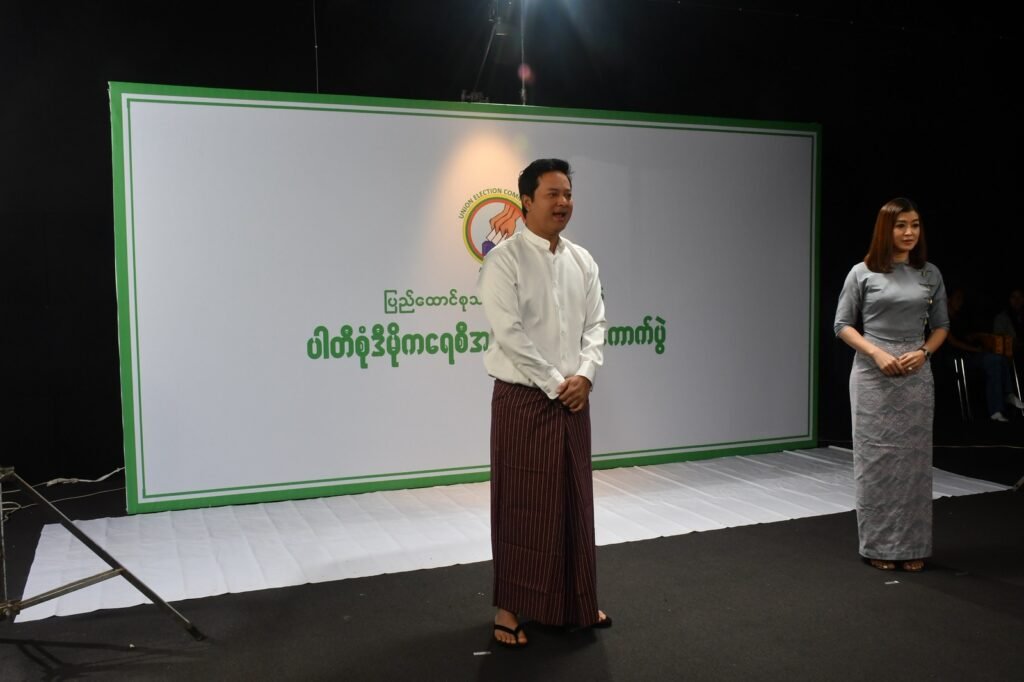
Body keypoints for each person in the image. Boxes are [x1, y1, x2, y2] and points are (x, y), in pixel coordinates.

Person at [477, 158, 610, 648]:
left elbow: (596, 324)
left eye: (568, 194)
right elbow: (510, 334)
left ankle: (575, 603)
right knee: (522, 506)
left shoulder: (583, 260)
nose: (563, 203)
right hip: (523, 400)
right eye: (553, 194)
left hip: (575, 398)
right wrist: (559, 383)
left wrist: (586, 375)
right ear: (526, 202)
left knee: (574, 505)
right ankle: (509, 610)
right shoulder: (503, 261)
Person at [834, 197, 949, 573]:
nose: (909, 232)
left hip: (915, 374)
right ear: (886, 229)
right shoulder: (862, 272)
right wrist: (876, 353)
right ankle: (879, 544)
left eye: (915, 225)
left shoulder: (929, 273)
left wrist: (924, 353)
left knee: (914, 462)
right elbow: (842, 325)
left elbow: (942, 326)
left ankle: (913, 544)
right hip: (873, 374)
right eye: (901, 226)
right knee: (876, 461)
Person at [945, 286, 1024, 422]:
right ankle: (1000, 403)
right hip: (956, 359)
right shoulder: (940, 318)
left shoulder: (960, 318)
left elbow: (967, 336)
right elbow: (953, 342)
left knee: (998, 358)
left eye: (962, 299)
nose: (961, 302)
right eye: (958, 298)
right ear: (948, 299)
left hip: (970, 355)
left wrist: (977, 336)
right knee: (993, 359)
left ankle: (1005, 398)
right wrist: (975, 349)